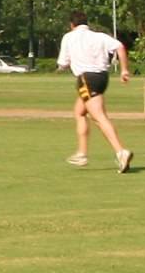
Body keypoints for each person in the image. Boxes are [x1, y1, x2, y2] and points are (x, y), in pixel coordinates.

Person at [56, 11, 133, 173]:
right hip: (102, 78)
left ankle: (121, 151)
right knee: (80, 111)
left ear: (71, 25)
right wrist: (124, 70)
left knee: (99, 117)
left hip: (86, 79)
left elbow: (63, 62)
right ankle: (82, 153)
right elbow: (120, 47)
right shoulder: (100, 36)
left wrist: (62, 66)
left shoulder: (69, 37)